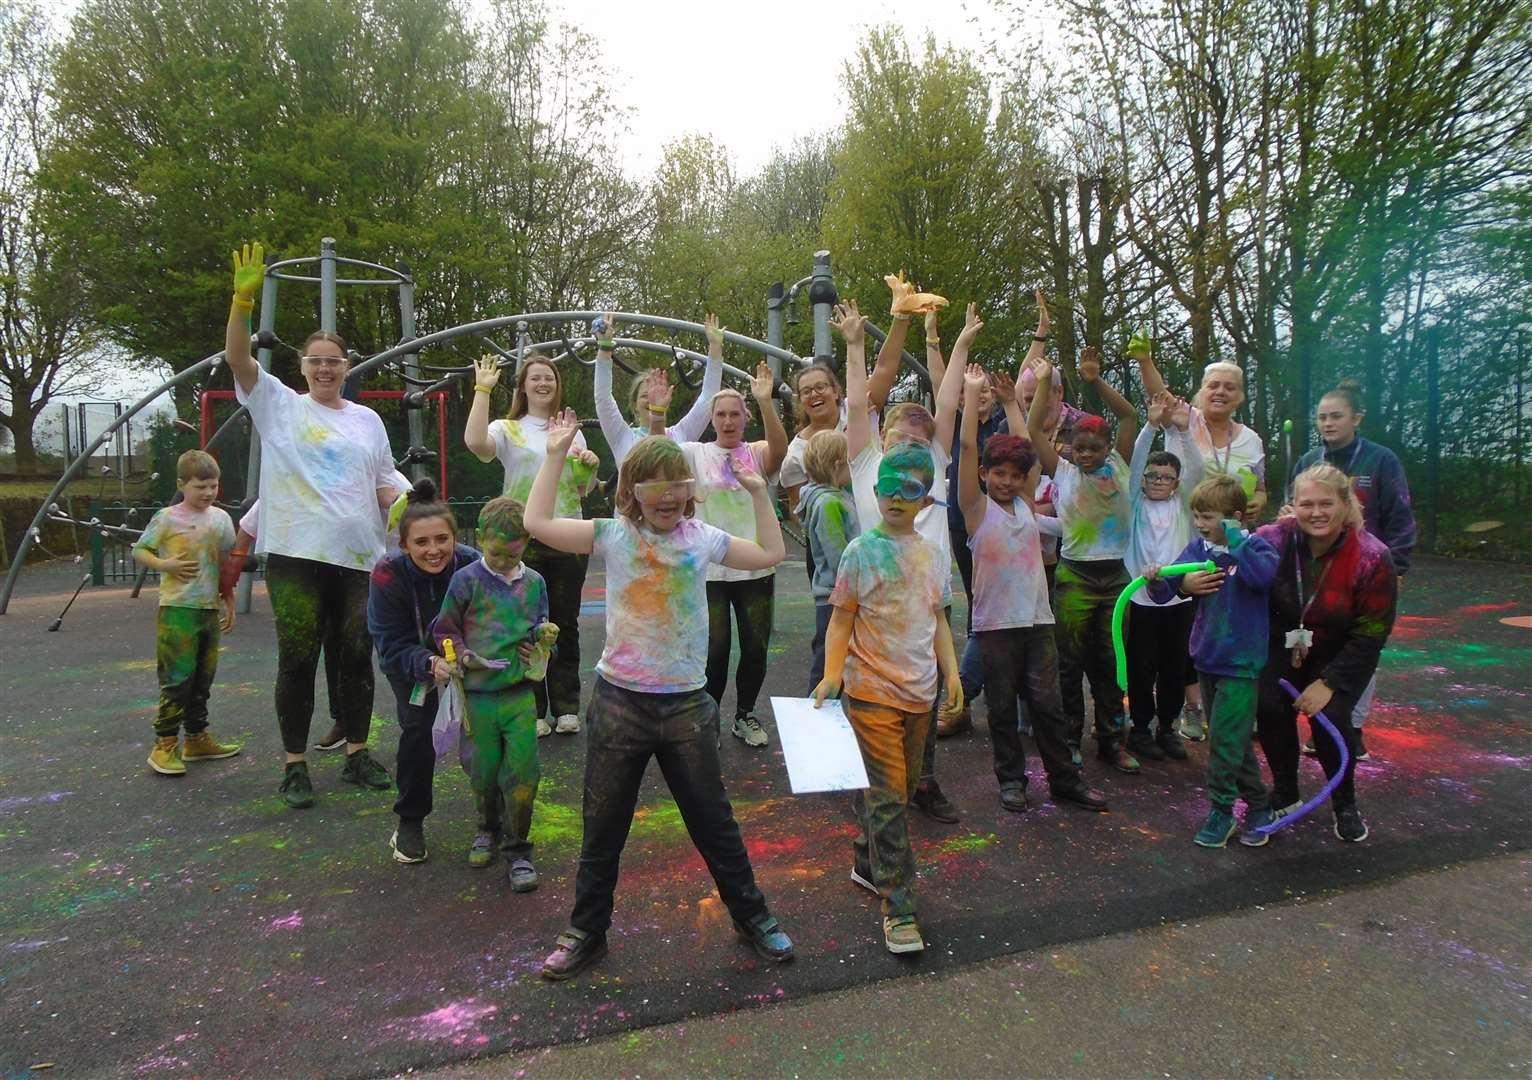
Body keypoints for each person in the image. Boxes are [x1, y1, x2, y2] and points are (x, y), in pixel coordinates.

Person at [525, 416, 794, 980]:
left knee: (713, 822)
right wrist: (553, 456)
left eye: (678, 485)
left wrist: (758, 492)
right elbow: (538, 523)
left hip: (687, 706)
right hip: (620, 702)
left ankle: (752, 917)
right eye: (655, 487)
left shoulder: (702, 540)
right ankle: (585, 931)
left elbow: (771, 554)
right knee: (602, 826)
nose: (669, 497)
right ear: (632, 493)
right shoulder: (612, 534)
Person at [225, 243, 400, 809]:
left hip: (357, 557)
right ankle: (295, 763)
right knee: (297, 654)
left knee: (356, 654)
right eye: (316, 360)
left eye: (335, 360)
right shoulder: (280, 404)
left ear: (347, 368)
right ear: (302, 367)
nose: (326, 368)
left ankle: (356, 752)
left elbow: (383, 481)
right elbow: (238, 360)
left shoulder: (368, 420)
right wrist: (242, 303)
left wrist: (408, 508)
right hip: (297, 555)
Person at [813, 440, 961, 955]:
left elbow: (939, 619)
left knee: (893, 785)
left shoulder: (932, 553)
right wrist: (833, 675)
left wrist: (953, 673)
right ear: (874, 493)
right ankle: (899, 909)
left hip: (920, 692)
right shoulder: (861, 551)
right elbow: (842, 618)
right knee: (891, 798)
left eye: (910, 489)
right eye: (888, 488)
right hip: (872, 690)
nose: (897, 498)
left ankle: (866, 860)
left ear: (926, 498)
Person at [955, 366, 1108, 815]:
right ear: (984, 474)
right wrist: (970, 396)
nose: (1007, 480)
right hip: (996, 627)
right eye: (997, 473)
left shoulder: (1024, 503)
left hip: (1038, 622)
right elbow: (966, 448)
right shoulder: (977, 510)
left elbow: (1029, 454)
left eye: (1014, 475)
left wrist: (1009, 404)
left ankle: (1064, 780)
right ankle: (1011, 780)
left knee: (1048, 705)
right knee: (1002, 708)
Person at [841, 298, 968, 824]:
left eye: (919, 441)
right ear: (881, 440)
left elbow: (949, 401)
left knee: (925, 698)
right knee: (872, 700)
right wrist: (853, 346)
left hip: (927, 597)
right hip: (873, 602)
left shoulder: (933, 465)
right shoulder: (867, 460)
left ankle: (924, 781)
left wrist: (954, 343)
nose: (908, 449)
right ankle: (868, 785)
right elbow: (855, 405)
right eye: (898, 439)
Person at [1253, 464, 1398, 843]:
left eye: (1326, 503)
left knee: (1330, 717)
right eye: (1306, 504)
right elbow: (1229, 564)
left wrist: (1330, 683)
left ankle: (1344, 802)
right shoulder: (1273, 539)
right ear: (1294, 506)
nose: (1316, 513)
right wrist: (1180, 581)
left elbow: (1372, 634)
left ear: (1346, 504)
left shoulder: (1372, 556)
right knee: (1268, 706)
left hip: (1342, 652)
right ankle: (1285, 790)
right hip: (1283, 644)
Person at [1132, 338, 1268, 742]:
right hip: (1189, 543)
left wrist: (1257, 503)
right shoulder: (1185, 421)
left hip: (1233, 546)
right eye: (1213, 385)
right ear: (1200, 393)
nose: (1221, 392)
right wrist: (1144, 360)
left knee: (1227, 624)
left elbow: (1261, 488)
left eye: (1229, 386)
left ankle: (1229, 704)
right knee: (1188, 630)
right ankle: (1190, 710)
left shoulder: (1252, 440)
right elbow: (1157, 392)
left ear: (1240, 395)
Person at [465, 354, 600, 738]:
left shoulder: (571, 429)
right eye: (536, 378)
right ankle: (533, 706)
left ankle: (566, 705)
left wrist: (588, 468)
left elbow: (581, 490)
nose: (543, 384)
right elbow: (477, 444)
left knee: (564, 622)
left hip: (568, 535)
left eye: (550, 378)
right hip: (523, 538)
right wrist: (482, 389)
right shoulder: (508, 428)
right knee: (525, 625)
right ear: (523, 386)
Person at [1147, 474, 1281, 846]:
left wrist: (1236, 540)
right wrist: (1157, 580)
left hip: (1241, 664)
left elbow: (1261, 578)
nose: (1200, 524)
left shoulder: (1258, 549)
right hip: (1207, 658)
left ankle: (1222, 811)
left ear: (1235, 517)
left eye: (1208, 517)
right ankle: (1258, 805)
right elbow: (1165, 592)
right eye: (1197, 516)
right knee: (1231, 739)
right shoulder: (1198, 550)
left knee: (1223, 740)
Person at [925, 292, 1037, 738]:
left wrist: (1038, 342)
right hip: (965, 520)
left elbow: (1027, 450)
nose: (983, 393)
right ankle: (965, 693)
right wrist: (937, 339)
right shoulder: (958, 424)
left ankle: (974, 691)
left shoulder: (1005, 430)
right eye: (979, 390)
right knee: (983, 605)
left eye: (988, 389)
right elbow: (944, 388)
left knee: (1005, 611)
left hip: (1010, 529)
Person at [431, 496, 556, 892]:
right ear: (481, 539)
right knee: (482, 771)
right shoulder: (465, 580)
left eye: (512, 553)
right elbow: (444, 629)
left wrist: (543, 638)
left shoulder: (534, 583)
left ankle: (519, 850)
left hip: (519, 694)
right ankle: (487, 826)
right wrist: (464, 656)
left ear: (527, 544)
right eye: (496, 552)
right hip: (478, 695)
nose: (503, 561)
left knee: (523, 774)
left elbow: (539, 626)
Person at [1026, 348, 1140, 773]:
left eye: (1095, 447)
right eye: (1080, 447)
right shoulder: (1065, 472)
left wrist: (1094, 380)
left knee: (1112, 661)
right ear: (1070, 448)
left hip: (1116, 578)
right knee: (1069, 662)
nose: (1087, 454)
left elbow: (1129, 416)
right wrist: (1041, 383)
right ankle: (1070, 736)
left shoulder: (1122, 467)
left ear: (1108, 447)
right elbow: (1035, 426)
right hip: (1074, 576)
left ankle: (1112, 739)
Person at [1291, 378, 1416, 760]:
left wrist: (1395, 566)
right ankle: (1321, 720)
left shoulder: (1380, 460)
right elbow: (1291, 512)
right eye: (1322, 417)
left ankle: (1353, 726)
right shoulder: (1308, 461)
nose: (1328, 423)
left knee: (1360, 643)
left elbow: (1400, 515)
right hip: (1314, 571)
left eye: (1336, 416)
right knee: (1315, 642)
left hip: (1365, 573)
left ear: (1356, 418)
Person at [366, 479, 480, 865]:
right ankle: (410, 821)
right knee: (418, 732)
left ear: (454, 537)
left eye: (442, 539)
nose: (434, 550)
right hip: (414, 666)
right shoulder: (387, 575)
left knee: (487, 732)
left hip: (467, 659)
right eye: (422, 542)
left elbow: (498, 612)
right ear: (404, 545)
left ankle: (495, 818)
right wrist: (429, 664)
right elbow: (389, 641)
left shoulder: (471, 564)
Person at [681, 358, 788, 748]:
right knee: (716, 650)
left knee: (755, 646)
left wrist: (764, 401)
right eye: (721, 415)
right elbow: (657, 447)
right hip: (709, 571)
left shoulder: (756, 452)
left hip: (756, 568)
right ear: (712, 419)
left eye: (735, 415)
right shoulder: (694, 452)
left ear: (745, 419)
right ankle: (708, 719)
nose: (728, 421)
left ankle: (745, 715)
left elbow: (781, 450)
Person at [131, 450, 240, 776]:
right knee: (177, 678)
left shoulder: (220, 519)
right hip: (178, 608)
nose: (208, 493)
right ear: (182, 485)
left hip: (207, 608)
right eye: (200, 486)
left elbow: (223, 561)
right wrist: (165, 564)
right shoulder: (167, 518)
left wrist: (228, 595)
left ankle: (196, 737)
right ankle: (164, 745)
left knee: (203, 678)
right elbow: (140, 549)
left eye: (213, 486)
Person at [1122, 392, 1203, 762]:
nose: (1157, 480)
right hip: (1140, 600)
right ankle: (1140, 728)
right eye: (1152, 475)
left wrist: (1184, 433)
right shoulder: (1134, 502)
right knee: (1142, 667)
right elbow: (1136, 462)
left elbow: (1197, 473)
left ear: (1176, 483)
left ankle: (1167, 727)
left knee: (1175, 665)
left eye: (1166, 477)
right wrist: (1151, 425)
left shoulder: (1183, 506)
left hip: (1179, 598)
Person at [593, 312, 723, 468]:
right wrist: (605, 347)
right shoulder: (621, 436)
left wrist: (715, 348)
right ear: (634, 405)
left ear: (667, 400)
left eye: (657, 394)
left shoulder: (681, 434)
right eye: (645, 396)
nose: (652, 399)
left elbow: (708, 398)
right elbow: (603, 398)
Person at [799, 429, 860, 692]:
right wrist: (858, 583)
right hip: (834, 595)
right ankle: (817, 712)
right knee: (827, 658)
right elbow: (838, 554)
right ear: (837, 464)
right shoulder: (828, 504)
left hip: (836, 593)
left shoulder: (832, 496)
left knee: (831, 654)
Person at [778, 363, 847, 520]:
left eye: (820, 387)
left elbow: (885, 368)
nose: (814, 394)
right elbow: (797, 507)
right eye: (806, 392)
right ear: (800, 400)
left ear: (835, 391)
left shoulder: (854, 413)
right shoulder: (795, 454)